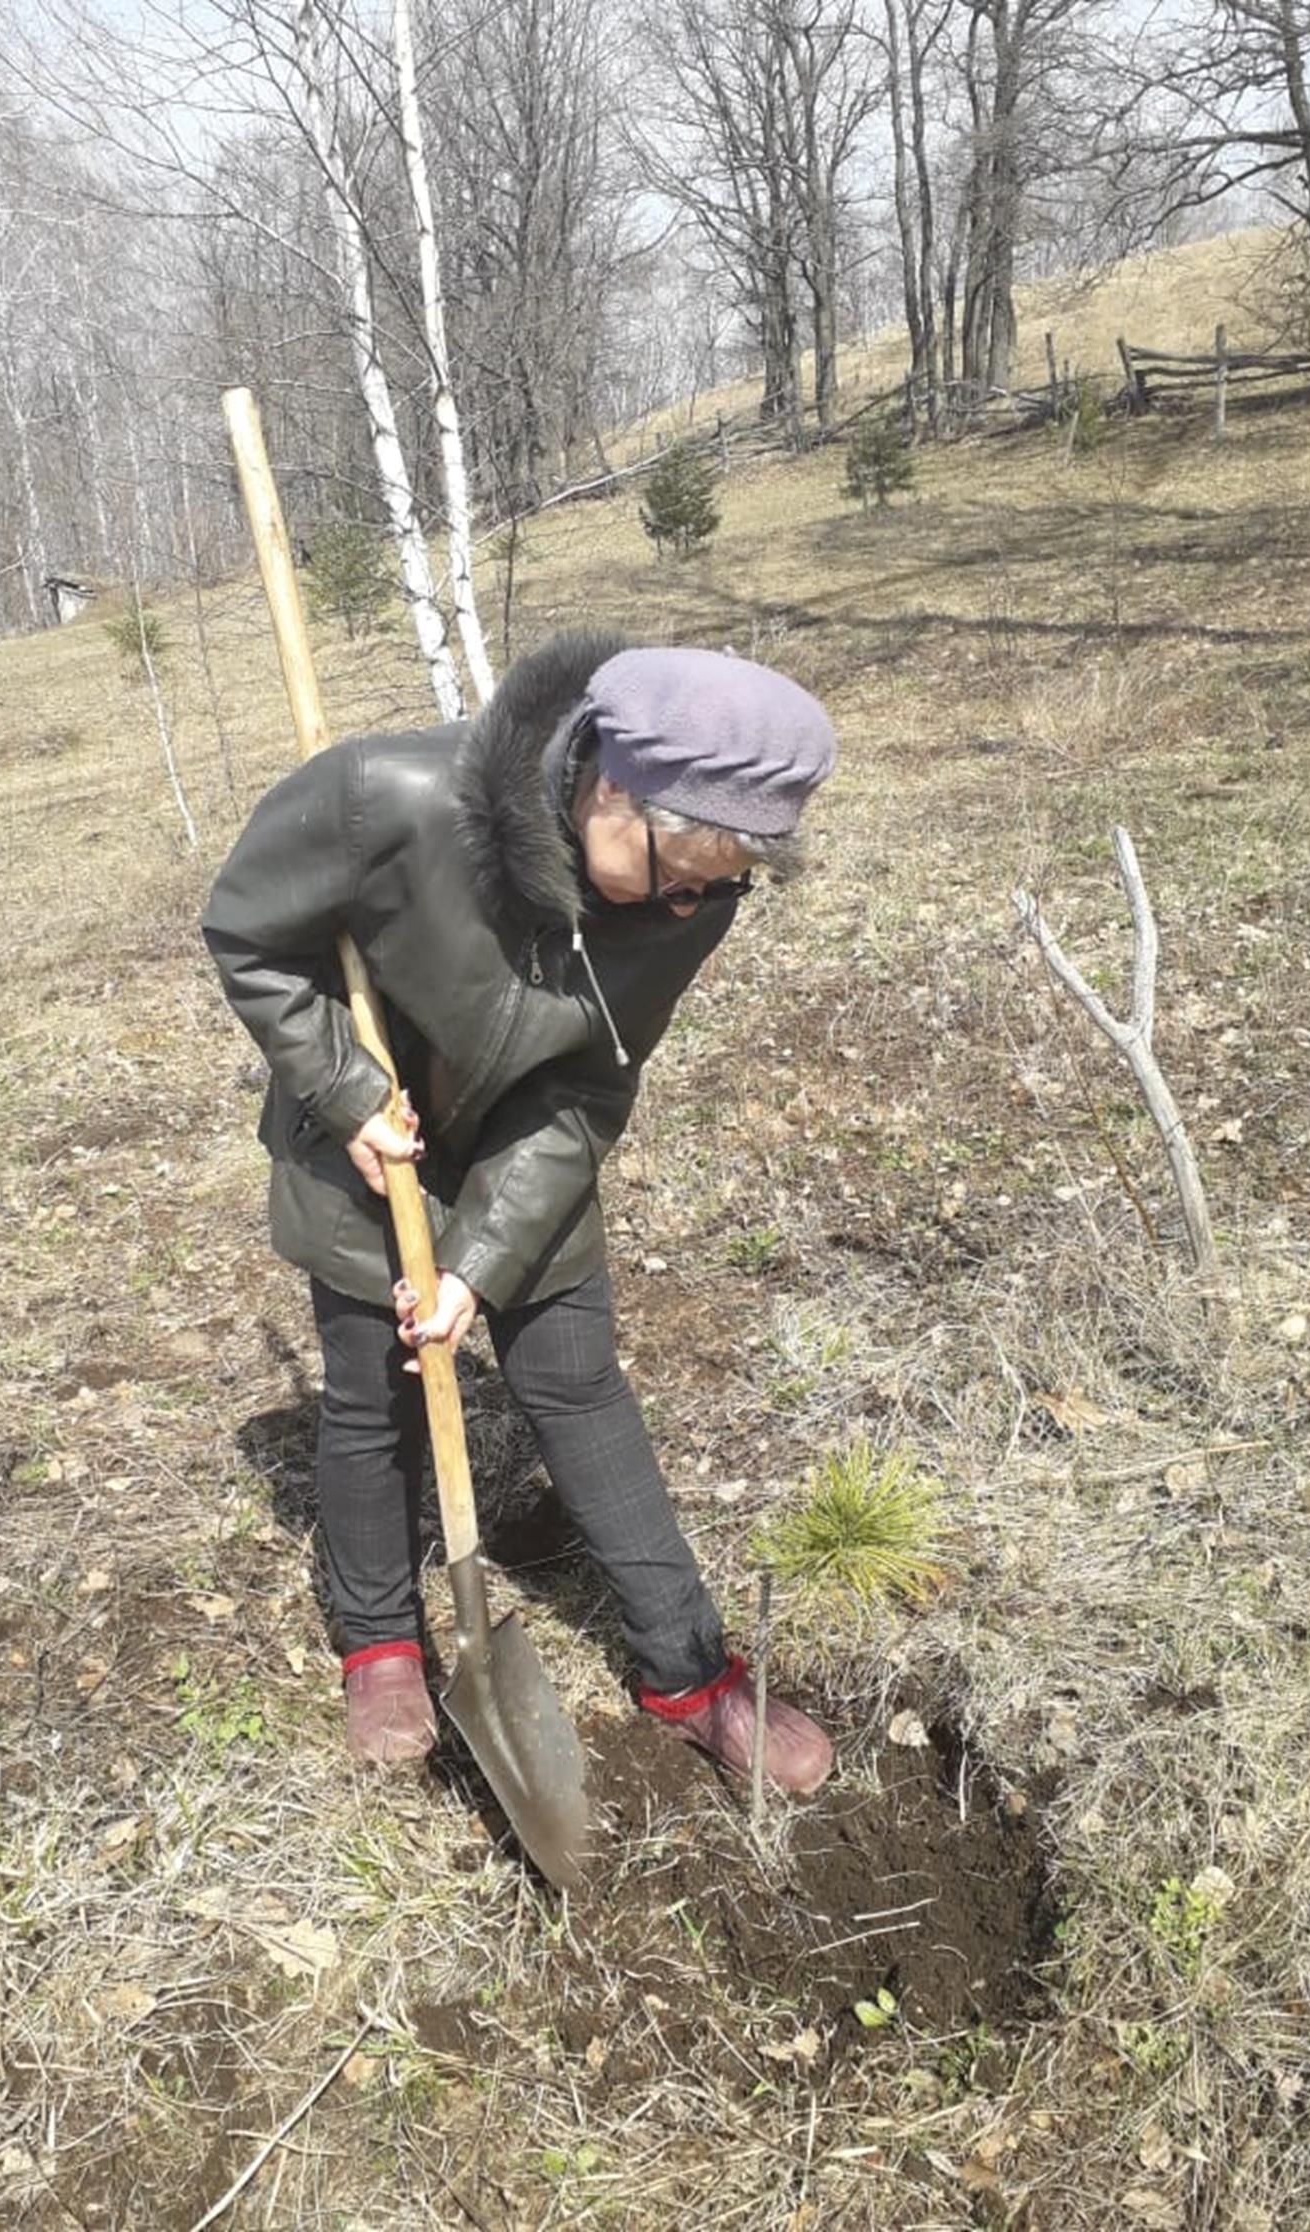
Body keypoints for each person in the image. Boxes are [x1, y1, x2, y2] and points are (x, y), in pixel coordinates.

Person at [202, 633, 837, 1790]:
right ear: (611, 784)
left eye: (724, 882)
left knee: (578, 1382)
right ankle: (383, 1639)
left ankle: (688, 1669)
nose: (692, 901)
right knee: (370, 1394)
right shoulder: (381, 798)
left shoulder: (692, 893)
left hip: (528, 1140)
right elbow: (246, 935)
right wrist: (343, 1091)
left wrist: (480, 1262)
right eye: (678, 870)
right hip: (367, 1135)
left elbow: (593, 1078)